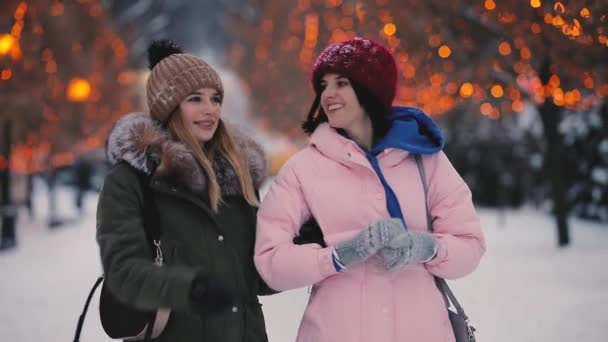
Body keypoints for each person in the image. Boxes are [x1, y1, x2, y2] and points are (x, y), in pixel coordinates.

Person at [254, 37, 486, 342]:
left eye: (341, 83)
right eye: (323, 85)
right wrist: (336, 257)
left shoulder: (424, 158)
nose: (328, 94)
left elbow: (470, 244)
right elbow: (269, 260)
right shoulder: (303, 169)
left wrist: (428, 248)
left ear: (371, 89)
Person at [96, 40, 271, 342]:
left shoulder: (234, 175)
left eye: (215, 98)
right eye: (195, 99)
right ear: (169, 106)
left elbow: (257, 275)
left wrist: (301, 244)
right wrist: (189, 289)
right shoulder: (132, 181)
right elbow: (123, 271)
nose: (210, 110)